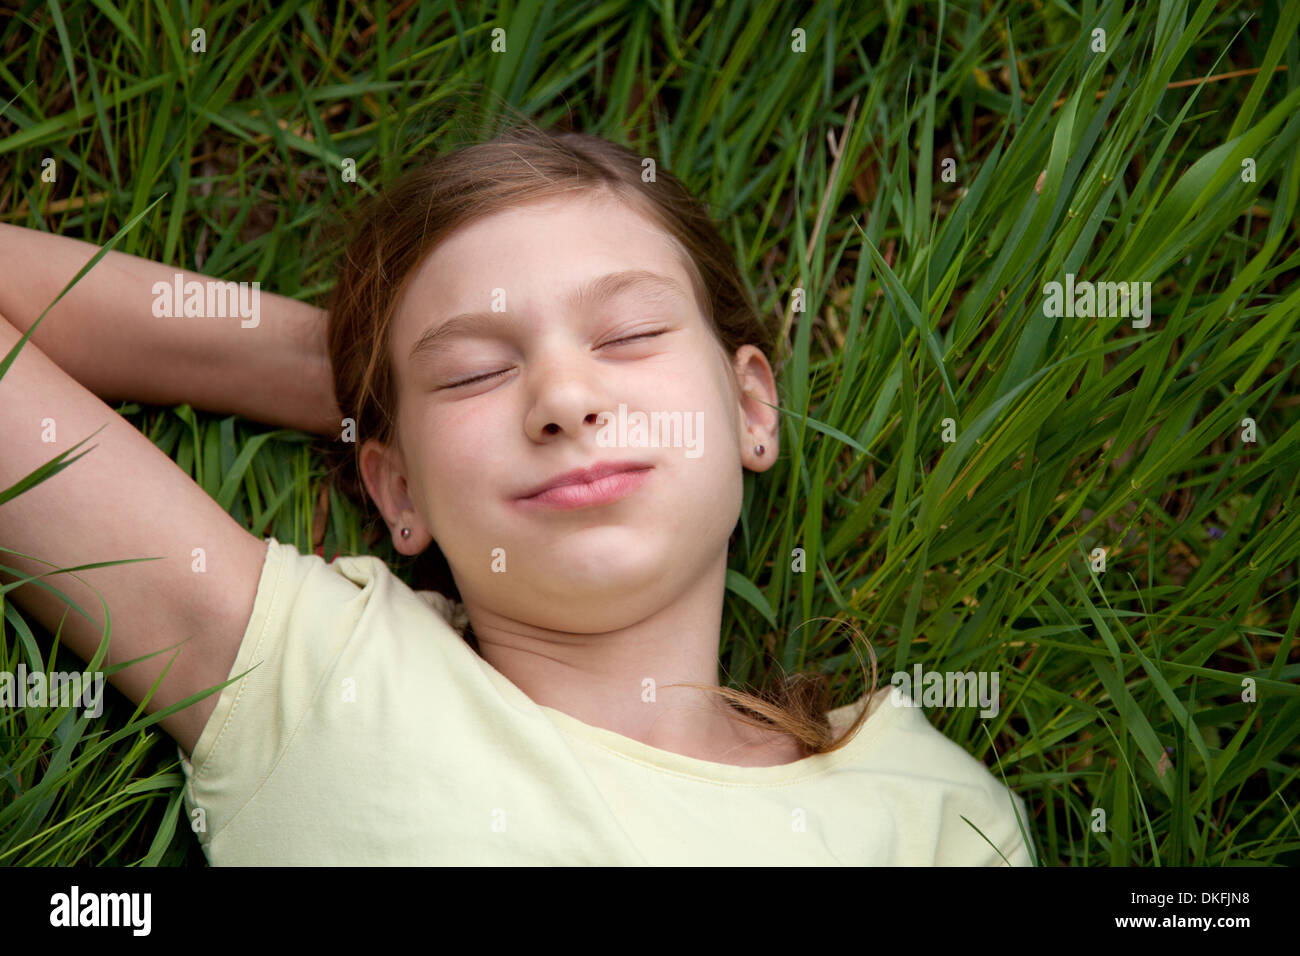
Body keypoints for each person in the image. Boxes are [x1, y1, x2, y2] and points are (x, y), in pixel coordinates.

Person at [0, 121, 1035, 865]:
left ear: (750, 407)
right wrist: (352, 375)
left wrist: (421, 385)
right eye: (474, 374)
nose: (563, 397)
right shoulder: (321, 673)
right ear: (396, 487)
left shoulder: (926, 808)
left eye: (628, 335)